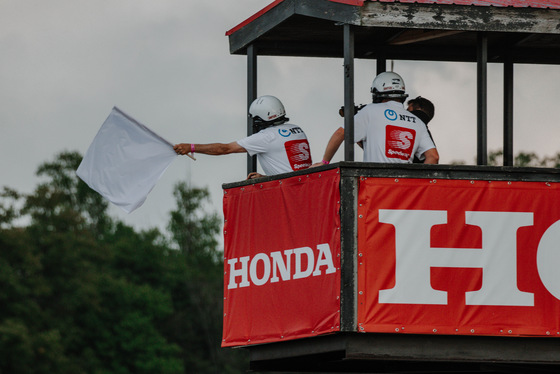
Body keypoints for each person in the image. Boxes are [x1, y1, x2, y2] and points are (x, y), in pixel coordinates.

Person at [314, 72, 439, 166]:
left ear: (377, 93)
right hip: (403, 192)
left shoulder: (370, 111)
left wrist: (324, 162)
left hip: (375, 189)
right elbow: (433, 157)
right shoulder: (418, 122)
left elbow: (341, 133)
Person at [174, 95, 312, 179]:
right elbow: (289, 166)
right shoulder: (296, 129)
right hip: (306, 184)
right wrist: (268, 178)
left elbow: (224, 149)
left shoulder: (266, 137)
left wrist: (191, 147)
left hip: (293, 192)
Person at [406, 96, 436, 164]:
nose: (405, 113)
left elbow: (434, 157)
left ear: (418, 109)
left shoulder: (410, 127)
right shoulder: (425, 132)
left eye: (408, 110)